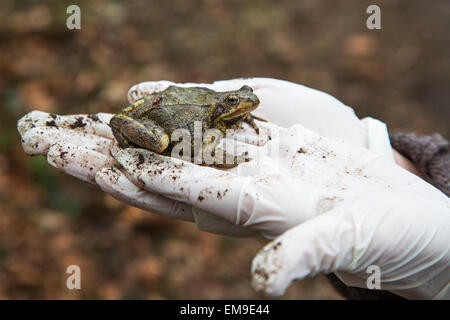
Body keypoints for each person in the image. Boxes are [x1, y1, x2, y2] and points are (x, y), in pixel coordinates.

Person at [17, 78, 449, 299]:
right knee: (165, 144)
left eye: (243, 100)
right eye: (234, 104)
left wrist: (375, 151)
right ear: (223, 107)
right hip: (159, 122)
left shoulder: (230, 110)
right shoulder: (210, 116)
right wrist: (394, 157)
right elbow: (199, 139)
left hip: (175, 108)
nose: (244, 104)